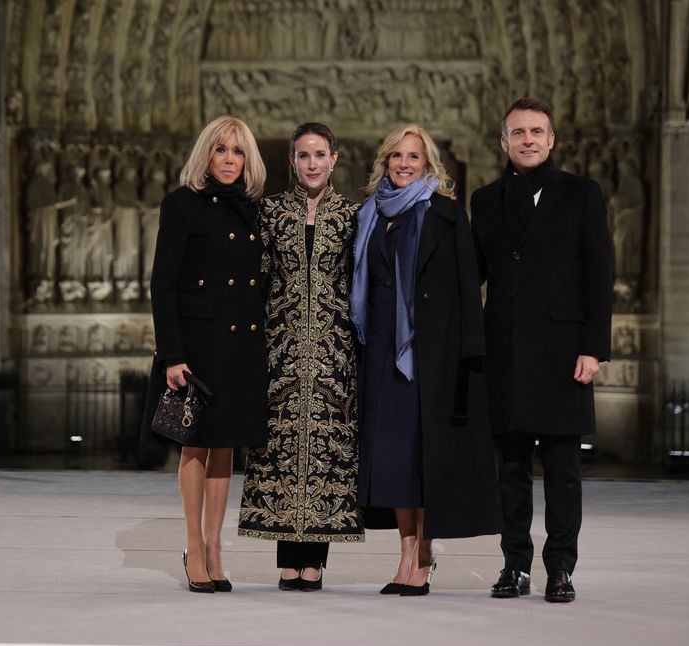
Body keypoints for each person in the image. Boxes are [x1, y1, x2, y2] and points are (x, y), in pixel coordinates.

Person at [470, 96, 613, 604]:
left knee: (562, 471)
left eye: (536, 131)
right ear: (503, 142)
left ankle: (560, 568)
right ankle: (515, 565)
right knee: (508, 471)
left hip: (561, 353)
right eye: (518, 132)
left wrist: (594, 348)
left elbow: (599, 274)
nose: (528, 140)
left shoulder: (580, 193)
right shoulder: (485, 200)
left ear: (551, 140)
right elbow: (473, 276)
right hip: (504, 351)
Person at [353, 124, 501, 597]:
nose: (403, 163)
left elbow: (466, 286)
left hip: (427, 356)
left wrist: (470, 356)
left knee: (423, 457)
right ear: (385, 161)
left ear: (428, 164)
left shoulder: (446, 214)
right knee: (394, 460)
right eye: (396, 155)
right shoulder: (369, 216)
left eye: (413, 156)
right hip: (379, 354)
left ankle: (421, 557)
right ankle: (404, 552)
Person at [143, 115, 268, 593]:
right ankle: (194, 546)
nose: (230, 159)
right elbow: (163, 282)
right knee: (195, 445)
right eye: (220, 150)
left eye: (238, 151)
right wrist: (172, 355)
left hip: (241, 345)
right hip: (197, 346)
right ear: (205, 155)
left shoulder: (255, 210)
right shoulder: (181, 205)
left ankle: (216, 547)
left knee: (225, 448)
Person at [238, 122, 363, 591]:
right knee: (282, 449)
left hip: (335, 350)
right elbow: (257, 281)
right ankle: (287, 558)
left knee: (328, 453)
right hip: (281, 348)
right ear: (292, 161)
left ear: (335, 158)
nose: (312, 164)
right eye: (303, 156)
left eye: (320, 155)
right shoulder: (270, 214)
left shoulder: (353, 216)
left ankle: (316, 562)